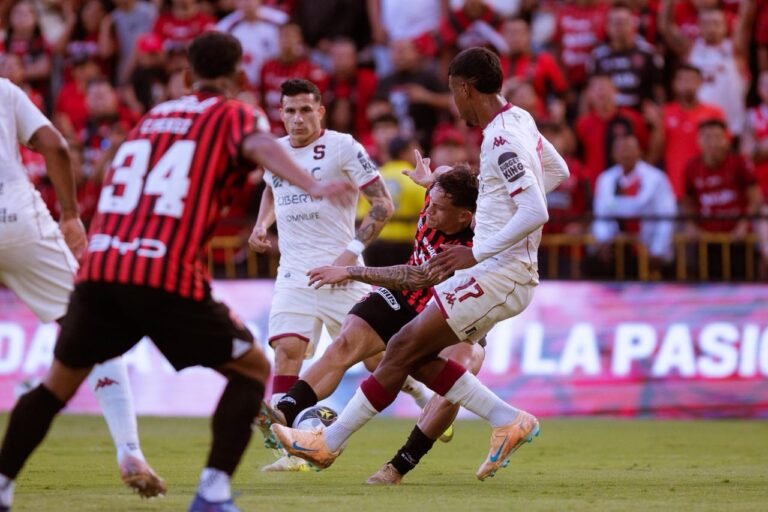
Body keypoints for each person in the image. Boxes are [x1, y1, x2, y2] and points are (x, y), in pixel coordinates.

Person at [0, 32, 355, 512]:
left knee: (55, 385)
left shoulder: (152, 117)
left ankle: (2, 485)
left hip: (103, 266)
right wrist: (310, 182)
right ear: (239, 77)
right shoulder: (233, 113)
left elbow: (115, 170)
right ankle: (212, 492)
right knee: (252, 369)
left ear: (187, 76)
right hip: (162, 270)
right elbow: (257, 145)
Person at [271, 47, 570, 481]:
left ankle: (326, 446)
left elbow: (536, 210)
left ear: (465, 89)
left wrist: (479, 248)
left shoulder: (500, 138)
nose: (454, 103)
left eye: (452, 93)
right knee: (408, 349)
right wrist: (494, 201)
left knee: (404, 349)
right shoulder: (519, 119)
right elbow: (556, 169)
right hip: (496, 270)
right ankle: (506, 417)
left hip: (500, 271)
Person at [262, 161, 482, 485]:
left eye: (438, 207)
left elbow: (417, 277)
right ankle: (286, 409)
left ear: (464, 216)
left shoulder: (469, 243)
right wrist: (429, 179)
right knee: (347, 343)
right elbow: (446, 176)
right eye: (430, 200)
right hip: (405, 301)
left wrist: (351, 270)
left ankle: (399, 465)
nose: (429, 209)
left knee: (453, 386)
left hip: (450, 313)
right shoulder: (443, 189)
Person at [0, 75, 166, 502]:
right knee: (94, 330)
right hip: (16, 220)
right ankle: (129, 450)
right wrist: (70, 214)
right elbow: (54, 145)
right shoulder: (4, 90)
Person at [247, 78, 396, 471]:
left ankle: (423, 394)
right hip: (294, 272)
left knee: (375, 359)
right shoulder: (274, 151)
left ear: (320, 111)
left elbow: (383, 204)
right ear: (280, 113)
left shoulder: (344, 146)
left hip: (341, 272)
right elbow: (271, 188)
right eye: (290, 111)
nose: (297, 118)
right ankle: (291, 452)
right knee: (286, 351)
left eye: (305, 110)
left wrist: (349, 259)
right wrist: (263, 224)